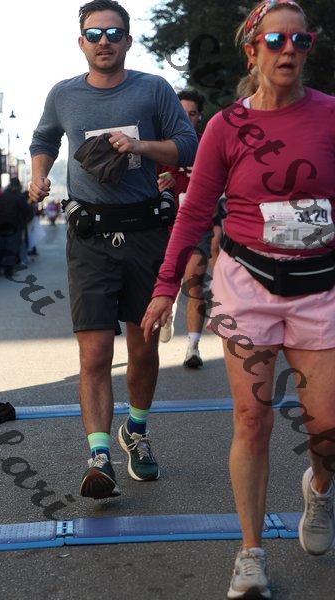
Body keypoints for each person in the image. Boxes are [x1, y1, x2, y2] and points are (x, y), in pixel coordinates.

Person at [142, 1, 335, 597]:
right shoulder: (226, 126)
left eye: (300, 41)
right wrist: (165, 287)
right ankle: (251, 553)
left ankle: (319, 490)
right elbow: (195, 211)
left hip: (319, 286)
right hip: (247, 285)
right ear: (252, 50)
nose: (289, 50)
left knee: (327, 426)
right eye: (276, 40)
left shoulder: (329, 115)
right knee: (252, 419)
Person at [29, 0, 198, 500]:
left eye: (113, 32)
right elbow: (43, 138)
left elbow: (188, 145)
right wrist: (39, 175)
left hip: (145, 232)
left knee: (144, 348)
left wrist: (140, 146)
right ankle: (99, 456)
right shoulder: (64, 94)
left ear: (127, 39)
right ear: (81, 41)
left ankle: (136, 431)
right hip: (90, 238)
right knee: (96, 352)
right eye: (94, 33)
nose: (104, 41)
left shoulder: (153, 88)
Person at [157, 89, 213, 368]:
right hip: (164, 225)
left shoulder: (208, 144)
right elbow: (142, 185)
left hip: (198, 225)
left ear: (199, 116)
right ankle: (168, 307)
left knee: (194, 281)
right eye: (182, 113)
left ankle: (193, 347)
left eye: (192, 114)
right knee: (167, 281)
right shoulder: (161, 146)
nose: (187, 118)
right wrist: (159, 184)